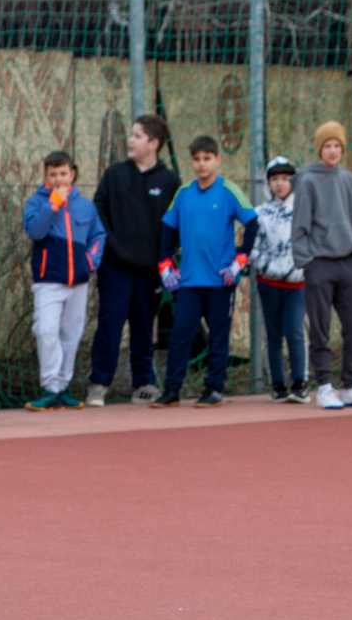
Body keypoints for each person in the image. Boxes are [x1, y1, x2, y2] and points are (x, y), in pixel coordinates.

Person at [151, 135, 257, 409]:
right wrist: (164, 264)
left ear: (217, 160)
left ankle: (214, 389)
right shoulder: (184, 193)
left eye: (207, 159)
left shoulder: (229, 190)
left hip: (221, 281)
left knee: (218, 336)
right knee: (180, 334)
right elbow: (168, 229)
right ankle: (172, 389)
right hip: (189, 280)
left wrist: (240, 260)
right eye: (197, 159)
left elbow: (252, 223)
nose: (201, 164)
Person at [88, 114, 179, 405]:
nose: (131, 140)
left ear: (154, 143)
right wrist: (111, 243)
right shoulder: (114, 174)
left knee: (143, 327)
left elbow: (176, 223)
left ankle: (143, 384)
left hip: (149, 270)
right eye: (131, 134)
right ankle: (99, 384)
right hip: (114, 266)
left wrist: (163, 257)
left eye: (137, 136)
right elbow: (99, 207)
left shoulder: (170, 180)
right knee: (110, 325)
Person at [293, 121, 352, 409]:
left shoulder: (350, 180)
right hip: (319, 264)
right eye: (327, 146)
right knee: (320, 328)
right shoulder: (307, 180)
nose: (332, 151)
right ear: (320, 149)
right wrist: (306, 261)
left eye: (337, 146)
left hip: (349, 263)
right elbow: (300, 225)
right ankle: (324, 386)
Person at [23, 149, 105, 410]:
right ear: (46, 176)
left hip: (78, 282)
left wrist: (90, 262)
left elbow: (98, 235)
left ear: (72, 174)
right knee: (46, 330)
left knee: (72, 334)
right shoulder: (37, 202)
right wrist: (53, 204)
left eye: (62, 174)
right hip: (48, 281)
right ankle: (50, 386)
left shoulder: (85, 205)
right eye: (53, 174)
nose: (58, 179)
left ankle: (62, 387)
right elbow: (35, 231)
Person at [253, 155, 307, 402]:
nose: (280, 183)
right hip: (269, 284)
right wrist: (270, 268)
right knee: (273, 335)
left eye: (285, 178)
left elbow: (311, 245)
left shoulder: (304, 211)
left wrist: (299, 270)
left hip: (297, 285)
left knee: (295, 331)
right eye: (274, 179)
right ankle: (277, 383)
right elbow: (253, 248)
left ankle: (300, 382)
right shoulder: (260, 214)